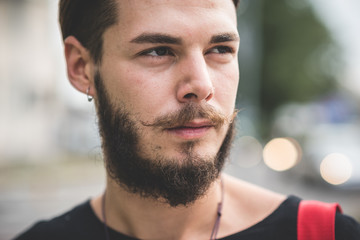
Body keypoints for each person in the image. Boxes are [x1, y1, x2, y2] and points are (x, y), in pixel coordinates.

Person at [14, 0, 360, 239]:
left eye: (220, 49)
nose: (202, 86)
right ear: (81, 67)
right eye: (158, 51)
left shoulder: (321, 234)